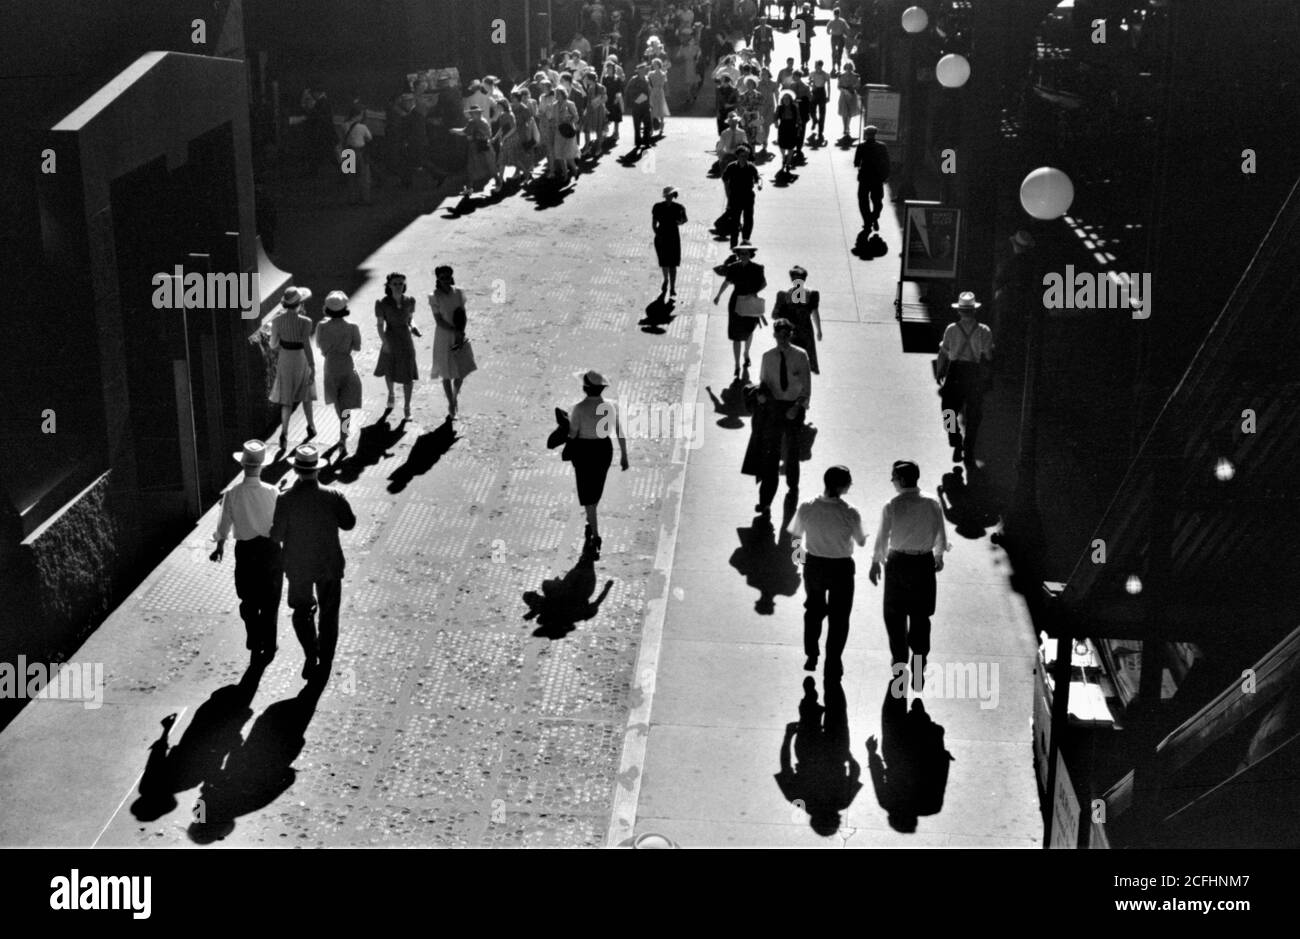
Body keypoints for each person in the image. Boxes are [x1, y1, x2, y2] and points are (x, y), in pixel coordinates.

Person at [270, 445, 357, 681]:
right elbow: (349, 523)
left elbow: (276, 536)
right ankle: (326, 658)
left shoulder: (285, 499)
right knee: (329, 613)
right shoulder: (333, 496)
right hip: (329, 564)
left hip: (298, 567)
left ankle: (311, 653)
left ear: (296, 470)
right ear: (317, 471)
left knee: (301, 612)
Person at [868, 461, 947, 692]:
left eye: (893, 477)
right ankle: (919, 667)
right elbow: (941, 533)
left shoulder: (892, 505)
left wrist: (875, 563)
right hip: (923, 563)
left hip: (898, 564)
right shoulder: (932, 503)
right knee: (921, 618)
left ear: (902, 480)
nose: (892, 481)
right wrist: (939, 556)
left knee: (895, 617)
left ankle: (899, 664)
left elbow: (882, 537)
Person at [788, 465, 867, 676]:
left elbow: (796, 536)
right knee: (839, 617)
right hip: (841, 567)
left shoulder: (807, 506)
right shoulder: (850, 512)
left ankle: (812, 654)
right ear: (843, 486)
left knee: (813, 611)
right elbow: (860, 542)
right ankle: (834, 658)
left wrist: (799, 556)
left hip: (814, 565)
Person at [210, 440, 282, 663]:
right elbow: (280, 523)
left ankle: (253, 634)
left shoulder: (232, 494)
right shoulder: (273, 492)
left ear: (243, 466)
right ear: (262, 466)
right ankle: (269, 643)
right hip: (270, 551)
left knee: (248, 599)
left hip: (246, 552)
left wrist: (219, 545)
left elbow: (224, 523)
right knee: (271, 601)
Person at [745, 318, 810, 515]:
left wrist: (797, 406)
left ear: (791, 335)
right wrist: (762, 396)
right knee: (770, 455)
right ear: (774, 336)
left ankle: (793, 484)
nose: (782, 339)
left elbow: (806, 387)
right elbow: (763, 382)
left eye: (786, 335)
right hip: (773, 408)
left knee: (792, 451)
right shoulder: (767, 357)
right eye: (778, 335)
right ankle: (765, 501)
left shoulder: (800, 356)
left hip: (793, 408)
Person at [566, 370, 629, 557]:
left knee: (587, 493)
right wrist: (624, 455)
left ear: (585, 388)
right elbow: (619, 432)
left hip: (584, 451)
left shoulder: (578, 408)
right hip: (603, 450)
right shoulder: (611, 407)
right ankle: (590, 521)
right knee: (595, 489)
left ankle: (595, 534)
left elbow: (572, 433)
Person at [935, 292, 994, 464]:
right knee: (974, 413)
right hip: (973, 373)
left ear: (959, 311)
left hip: (955, 373)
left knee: (948, 409)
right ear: (974, 311)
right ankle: (969, 446)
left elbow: (943, 353)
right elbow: (988, 356)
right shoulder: (984, 330)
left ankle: (955, 440)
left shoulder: (951, 329)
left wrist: (940, 371)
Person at [269, 286, 317, 452]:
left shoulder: (277, 321)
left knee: (286, 400)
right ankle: (311, 426)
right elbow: (307, 345)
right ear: (299, 304)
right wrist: (312, 365)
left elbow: (273, 344)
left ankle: (284, 432)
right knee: (306, 396)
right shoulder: (306, 322)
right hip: (301, 358)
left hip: (285, 359)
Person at [316, 291, 363, 457]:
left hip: (330, 366)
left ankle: (343, 432)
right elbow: (357, 347)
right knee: (346, 404)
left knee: (338, 402)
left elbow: (320, 347)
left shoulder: (321, 326)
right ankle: (343, 435)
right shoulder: (352, 327)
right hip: (346, 365)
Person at [428, 265, 477, 421]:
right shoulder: (434, 296)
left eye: (448, 276)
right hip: (443, 338)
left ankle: (455, 398)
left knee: (460, 371)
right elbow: (439, 321)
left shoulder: (459, 293)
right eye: (442, 277)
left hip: (459, 335)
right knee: (447, 373)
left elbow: (463, 314)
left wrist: (461, 331)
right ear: (438, 279)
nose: (445, 280)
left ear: (451, 276)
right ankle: (451, 404)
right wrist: (454, 330)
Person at [714, 241, 767, 377]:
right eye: (741, 253)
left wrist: (753, 292)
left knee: (749, 331)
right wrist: (718, 295)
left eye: (746, 253)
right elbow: (727, 282)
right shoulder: (733, 267)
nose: (744, 255)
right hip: (736, 302)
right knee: (735, 335)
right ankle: (737, 364)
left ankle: (746, 353)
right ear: (738, 254)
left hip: (750, 302)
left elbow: (763, 283)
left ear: (751, 254)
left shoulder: (757, 268)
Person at [374, 272, 419, 418]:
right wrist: (385, 342)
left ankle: (407, 407)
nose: (398, 286)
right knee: (389, 370)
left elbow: (410, 320)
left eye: (401, 283)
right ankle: (391, 394)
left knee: (408, 373)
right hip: (391, 338)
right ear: (389, 285)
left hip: (406, 340)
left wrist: (414, 327)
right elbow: (380, 325)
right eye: (395, 284)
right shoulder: (383, 303)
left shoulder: (410, 301)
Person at [772, 265, 822, 374]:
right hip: (794, 332)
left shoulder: (785, 295)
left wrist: (819, 330)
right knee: (794, 360)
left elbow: (815, 313)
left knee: (798, 361)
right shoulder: (785, 295)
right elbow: (775, 315)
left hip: (798, 332)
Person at [721, 145, 762, 250]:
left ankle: (745, 240)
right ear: (737, 156)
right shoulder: (731, 167)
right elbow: (725, 179)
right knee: (735, 221)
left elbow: (758, 178)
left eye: (746, 156)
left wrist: (759, 184)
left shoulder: (751, 167)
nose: (745, 158)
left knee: (748, 219)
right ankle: (733, 245)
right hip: (735, 197)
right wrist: (728, 194)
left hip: (748, 197)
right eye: (742, 156)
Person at [652, 186, 688, 297]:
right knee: (664, 263)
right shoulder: (657, 207)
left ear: (673, 196)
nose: (669, 197)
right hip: (662, 236)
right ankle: (666, 279)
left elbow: (684, 220)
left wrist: (680, 222)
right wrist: (657, 234)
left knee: (673, 264)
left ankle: (672, 287)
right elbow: (654, 223)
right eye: (667, 195)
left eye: (670, 195)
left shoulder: (679, 207)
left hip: (673, 237)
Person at [853, 124, 890, 230]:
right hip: (877, 178)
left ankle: (867, 221)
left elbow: (856, 162)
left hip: (864, 177)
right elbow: (887, 163)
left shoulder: (861, 147)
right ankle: (874, 217)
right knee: (877, 201)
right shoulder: (882, 147)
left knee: (863, 200)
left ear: (866, 134)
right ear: (875, 134)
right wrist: (885, 175)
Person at [341, 106, 373, 205]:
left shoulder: (344, 125)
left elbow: (342, 138)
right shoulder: (362, 127)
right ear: (358, 115)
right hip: (360, 152)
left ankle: (351, 198)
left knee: (350, 177)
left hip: (347, 152)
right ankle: (364, 198)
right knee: (364, 176)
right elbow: (369, 138)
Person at [551, 87, 582, 180]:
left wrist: (569, 120)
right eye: (556, 94)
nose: (557, 96)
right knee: (559, 154)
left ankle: (575, 170)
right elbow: (553, 118)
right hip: (558, 132)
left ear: (564, 94)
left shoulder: (569, 104)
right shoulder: (554, 105)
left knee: (568, 155)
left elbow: (576, 117)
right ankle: (565, 175)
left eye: (559, 94)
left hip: (568, 131)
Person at [625, 62, 654, 147]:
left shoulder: (647, 79)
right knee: (637, 125)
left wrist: (651, 102)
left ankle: (646, 141)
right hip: (637, 105)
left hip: (646, 104)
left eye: (645, 70)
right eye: (642, 70)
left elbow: (651, 90)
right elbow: (628, 90)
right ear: (638, 71)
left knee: (647, 124)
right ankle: (638, 142)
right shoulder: (634, 79)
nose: (644, 71)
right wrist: (637, 96)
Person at [775, 89, 801, 171]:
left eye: (788, 99)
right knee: (781, 143)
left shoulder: (794, 107)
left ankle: (788, 162)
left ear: (790, 100)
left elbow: (798, 117)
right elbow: (775, 117)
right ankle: (783, 157)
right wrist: (776, 122)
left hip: (792, 127)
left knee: (791, 145)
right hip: (783, 126)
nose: (786, 100)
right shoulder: (779, 108)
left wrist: (799, 126)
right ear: (782, 100)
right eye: (784, 99)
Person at [602, 60, 626, 143]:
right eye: (608, 68)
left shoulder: (617, 78)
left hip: (615, 99)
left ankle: (616, 133)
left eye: (611, 68)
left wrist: (617, 99)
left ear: (613, 69)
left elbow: (619, 90)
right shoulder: (604, 78)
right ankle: (604, 133)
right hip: (607, 99)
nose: (609, 70)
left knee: (616, 117)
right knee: (605, 117)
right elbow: (603, 89)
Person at [836, 60, 861, 140]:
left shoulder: (856, 76)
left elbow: (858, 86)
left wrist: (853, 88)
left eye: (850, 67)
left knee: (850, 112)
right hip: (843, 95)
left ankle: (847, 127)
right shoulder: (841, 76)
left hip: (852, 95)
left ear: (852, 68)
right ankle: (845, 128)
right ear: (845, 68)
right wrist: (844, 90)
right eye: (847, 67)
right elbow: (839, 86)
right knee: (844, 112)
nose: (848, 69)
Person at [809, 60, 830, 145]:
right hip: (814, 92)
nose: (816, 67)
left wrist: (829, 96)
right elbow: (809, 81)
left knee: (822, 113)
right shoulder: (812, 73)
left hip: (822, 92)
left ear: (821, 66)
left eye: (818, 66)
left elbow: (828, 85)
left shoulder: (825, 74)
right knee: (811, 110)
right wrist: (811, 85)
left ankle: (820, 131)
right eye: (816, 65)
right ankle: (814, 120)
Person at [648, 57, 670, 134]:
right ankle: (651, 128)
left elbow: (663, 83)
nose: (654, 66)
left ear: (659, 65)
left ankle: (661, 126)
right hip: (653, 91)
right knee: (652, 109)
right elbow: (649, 83)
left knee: (661, 108)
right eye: (653, 64)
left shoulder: (663, 74)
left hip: (660, 91)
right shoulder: (650, 73)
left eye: (656, 64)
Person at [826, 6, 851, 74]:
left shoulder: (831, 21)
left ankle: (833, 67)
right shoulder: (842, 21)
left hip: (834, 37)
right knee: (840, 52)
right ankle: (839, 68)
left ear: (834, 14)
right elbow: (848, 29)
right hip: (840, 37)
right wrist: (846, 35)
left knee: (834, 52)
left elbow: (827, 29)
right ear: (839, 14)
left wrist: (830, 32)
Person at [796, 3, 816, 70]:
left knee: (804, 48)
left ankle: (804, 62)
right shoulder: (810, 16)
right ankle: (805, 62)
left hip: (803, 33)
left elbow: (795, 24)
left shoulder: (799, 16)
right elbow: (812, 25)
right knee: (806, 48)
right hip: (806, 33)